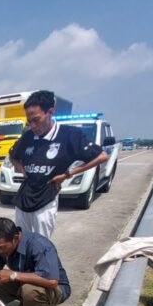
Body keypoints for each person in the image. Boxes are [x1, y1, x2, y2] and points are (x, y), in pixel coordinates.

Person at [9, 90, 109, 238]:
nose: (33, 126)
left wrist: (68, 174)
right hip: (24, 198)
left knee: (41, 245)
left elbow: (102, 156)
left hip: (45, 199)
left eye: (36, 120)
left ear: (50, 112)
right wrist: (22, 169)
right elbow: (13, 156)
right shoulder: (28, 136)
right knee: (20, 242)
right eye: (29, 122)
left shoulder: (69, 135)